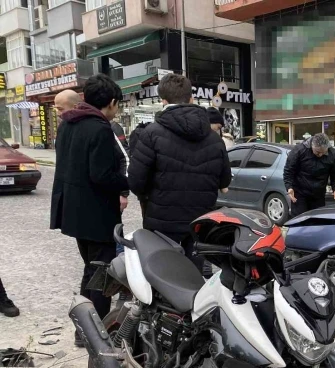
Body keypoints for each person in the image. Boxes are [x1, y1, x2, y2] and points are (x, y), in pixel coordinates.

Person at [50, 75, 128, 343]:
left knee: (90, 270)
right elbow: (102, 175)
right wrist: (129, 182)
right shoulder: (99, 128)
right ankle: (97, 333)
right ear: (112, 102)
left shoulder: (68, 125)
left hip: (74, 213)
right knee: (102, 274)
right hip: (97, 215)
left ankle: (83, 331)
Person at [128, 74, 231, 271]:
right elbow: (225, 180)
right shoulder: (214, 139)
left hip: (161, 224)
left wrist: (149, 196)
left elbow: (135, 181)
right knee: (193, 277)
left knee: (163, 277)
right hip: (200, 223)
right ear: (191, 99)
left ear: (163, 101)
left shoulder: (151, 134)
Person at [284, 133, 335, 217]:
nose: (320, 155)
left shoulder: (332, 154)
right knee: (300, 220)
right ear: (312, 146)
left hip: (318, 194)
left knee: (317, 221)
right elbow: (289, 170)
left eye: (323, 152)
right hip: (300, 193)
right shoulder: (299, 150)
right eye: (317, 152)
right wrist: (289, 186)